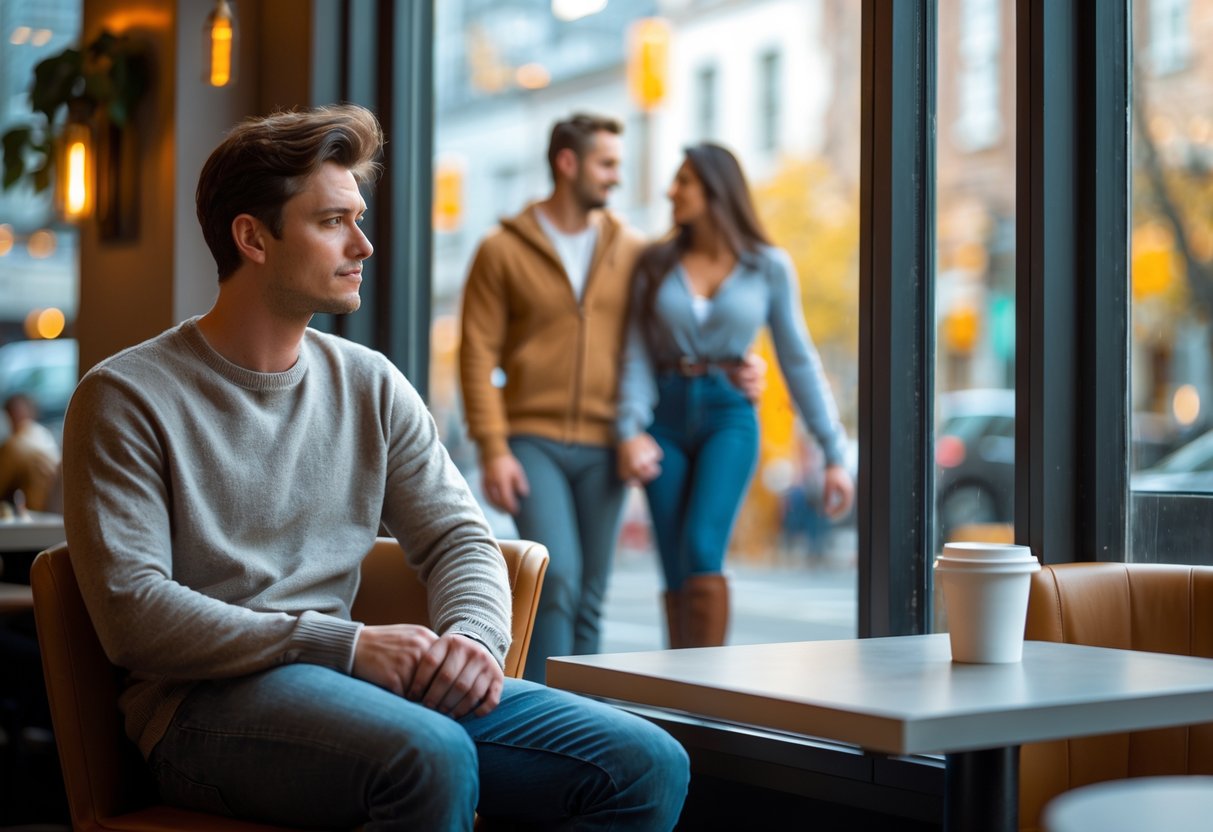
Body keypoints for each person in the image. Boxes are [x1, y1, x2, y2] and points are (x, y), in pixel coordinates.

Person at [61, 104, 688, 831]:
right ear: (251, 237)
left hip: (352, 690)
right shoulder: (125, 395)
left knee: (644, 762)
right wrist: (344, 645)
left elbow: (460, 539)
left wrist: (470, 645)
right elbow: (135, 615)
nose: (361, 244)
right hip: (201, 709)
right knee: (427, 756)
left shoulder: (371, 382)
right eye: (332, 222)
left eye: (357, 218)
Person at [461, 115, 765, 681]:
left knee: (593, 593)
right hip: (533, 440)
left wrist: (743, 363)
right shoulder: (501, 250)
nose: (616, 179)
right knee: (558, 577)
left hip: (606, 442)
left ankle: (590, 723)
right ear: (567, 164)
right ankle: (544, 712)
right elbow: (476, 355)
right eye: (606, 165)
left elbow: (684, 318)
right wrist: (493, 447)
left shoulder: (634, 251)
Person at [616, 143, 855, 649]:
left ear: (716, 189)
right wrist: (630, 429)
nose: (670, 191)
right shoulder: (655, 264)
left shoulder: (768, 266)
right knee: (675, 564)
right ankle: (678, 695)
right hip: (662, 415)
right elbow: (635, 354)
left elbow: (797, 358)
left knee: (703, 547)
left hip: (729, 415)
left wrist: (834, 452)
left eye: (684, 181)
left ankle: (702, 698)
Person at [0, 393, 61, 513]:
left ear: (9, 416)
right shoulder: (44, 435)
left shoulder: (15, 444)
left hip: (40, 515)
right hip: (59, 511)